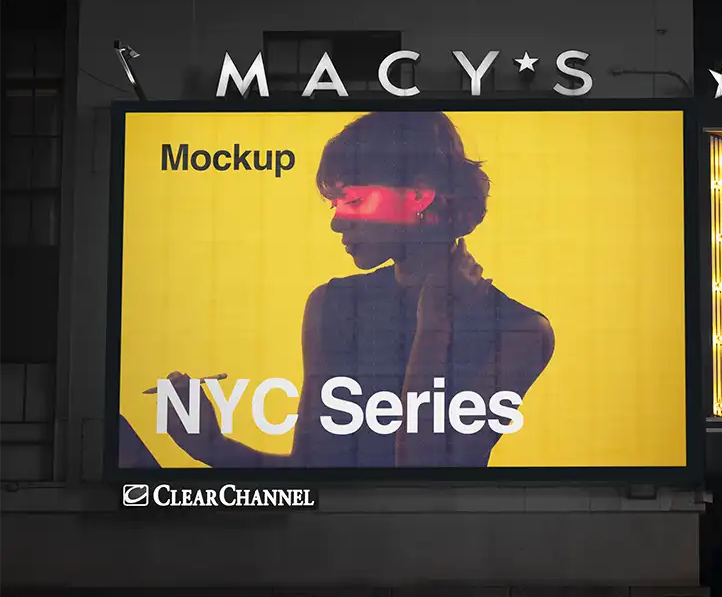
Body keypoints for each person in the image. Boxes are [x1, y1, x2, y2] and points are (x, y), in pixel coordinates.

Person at [154, 111, 554, 467]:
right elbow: (314, 473)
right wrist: (208, 444)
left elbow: (421, 475)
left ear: (420, 194)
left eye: (355, 200)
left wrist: (432, 331)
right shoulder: (333, 303)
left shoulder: (521, 332)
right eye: (334, 205)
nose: (337, 223)